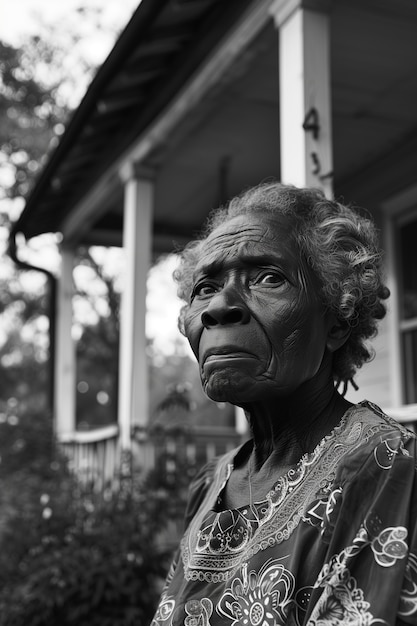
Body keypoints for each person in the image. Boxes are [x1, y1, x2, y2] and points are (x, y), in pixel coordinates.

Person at [151, 182, 417, 625]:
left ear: (336, 318)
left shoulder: (387, 468)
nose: (220, 306)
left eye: (268, 278)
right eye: (205, 287)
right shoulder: (209, 485)